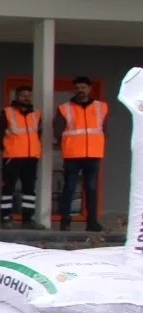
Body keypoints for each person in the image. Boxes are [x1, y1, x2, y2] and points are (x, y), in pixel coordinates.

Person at [53, 76, 108, 232]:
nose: (80, 90)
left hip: (93, 153)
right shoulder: (64, 108)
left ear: (89, 89)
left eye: (83, 87)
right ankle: (65, 222)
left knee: (91, 189)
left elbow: (104, 129)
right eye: (77, 88)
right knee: (69, 188)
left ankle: (92, 222)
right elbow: (57, 130)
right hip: (73, 154)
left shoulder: (101, 107)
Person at [0, 86, 41, 228]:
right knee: (8, 188)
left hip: (31, 157)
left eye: (28, 95)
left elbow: (38, 133)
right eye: (23, 95)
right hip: (13, 157)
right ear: (17, 97)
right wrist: (7, 149)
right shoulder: (7, 112)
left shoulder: (36, 114)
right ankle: (6, 218)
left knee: (29, 190)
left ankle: (28, 219)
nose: (26, 98)